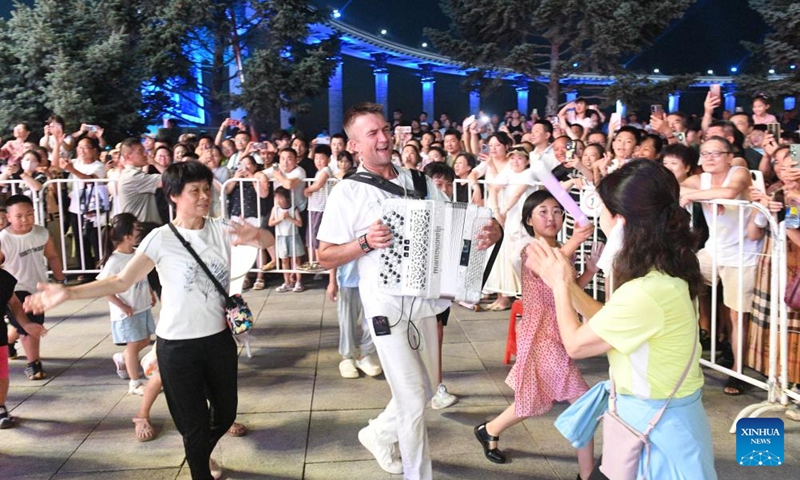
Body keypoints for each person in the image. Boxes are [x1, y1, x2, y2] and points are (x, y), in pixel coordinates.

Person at [24, 161, 276, 480]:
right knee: (193, 425)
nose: (203, 197)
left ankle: (200, 453)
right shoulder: (160, 238)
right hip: (177, 347)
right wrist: (69, 293)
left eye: (205, 189)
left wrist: (256, 234)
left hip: (218, 341)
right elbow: (120, 281)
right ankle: (200, 468)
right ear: (173, 196)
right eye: (194, 191)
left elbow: (266, 243)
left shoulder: (221, 228)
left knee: (224, 413)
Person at [317, 102, 501, 479]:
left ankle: (376, 434)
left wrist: (490, 230)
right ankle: (419, 474)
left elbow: (453, 225)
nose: (384, 138)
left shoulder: (419, 181)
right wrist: (365, 243)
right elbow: (324, 256)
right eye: (372, 133)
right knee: (413, 398)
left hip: (427, 301)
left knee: (429, 384)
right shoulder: (346, 193)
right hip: (385, 305)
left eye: (385, 129)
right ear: (353, 145)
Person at [528, 160, 716, 479]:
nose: (599, 220)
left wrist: (560, 283)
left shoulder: (647, 291)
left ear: (622, 221)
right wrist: (565, 282)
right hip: (655, 423)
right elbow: (609, 323)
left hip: (658, 435)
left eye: (604, 212)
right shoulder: (666, 274)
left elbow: (575, 344)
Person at [475, 191, 596, 479]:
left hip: (561, 333)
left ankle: (489, 430)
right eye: (543, 211)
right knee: (583, 404)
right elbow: (547, 270)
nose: (551, 217)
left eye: (556, 211)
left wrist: (589, 271)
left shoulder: (561, 250)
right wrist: (576, 241)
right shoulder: (530, 249)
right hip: (543, 337)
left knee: (532, 400)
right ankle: (587, 473)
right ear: (529, 219)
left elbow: (568, 288)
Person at [680, 136, 760, 395]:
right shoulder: (699, 180)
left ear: (729, 156)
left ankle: (738, 371)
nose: (709, 158)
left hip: (743, 254)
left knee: (737, 316)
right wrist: (700, 195)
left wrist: (698, 196)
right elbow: (674, 187)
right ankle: (690, 351)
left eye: (716, 153)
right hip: (713, 252)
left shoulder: (739, 172)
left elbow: (729, 193)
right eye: (705, 154)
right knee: (679, 284)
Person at [1, 195, 65, 379]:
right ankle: (34, 364)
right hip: (14, 290)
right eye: (19, 216)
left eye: (29, 214)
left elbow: (52, 256)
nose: (24, 219)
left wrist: (60, 282)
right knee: (31, 325)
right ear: (8, 217)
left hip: (37, 288)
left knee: (24, 326)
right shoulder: (3, 240)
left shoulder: (41, 233)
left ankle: (9, 344)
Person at [97, 213, 156, 395]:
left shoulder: (138, 254)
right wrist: (122, 306)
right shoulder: (114, 262)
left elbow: (142, 275)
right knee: (133, 346)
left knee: (145, 340)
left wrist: (150, 292)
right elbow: (105, 288)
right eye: (136, 229)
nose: (139, 232)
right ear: (126, 236)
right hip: (127, 312)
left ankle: (122, 358)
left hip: (141, 306)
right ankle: (135, 381)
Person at [0, 268, 47, 428]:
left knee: (1, 375)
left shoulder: (4, 279)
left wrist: (26, 324)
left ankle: (0, 407)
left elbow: (14, 303)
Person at [269, 187, 306, 293]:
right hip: (281, 236)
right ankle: (287, 282)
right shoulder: (275, 209)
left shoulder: (293, 209)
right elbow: (270, 223)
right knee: (284, 260)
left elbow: (300, 223)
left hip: (293, 235)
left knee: (296, 259)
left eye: (280, 197)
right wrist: (280, 219)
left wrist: (289, 218)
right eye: (276, 197)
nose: (278, 200)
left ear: (287, 198)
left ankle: (299, 282)